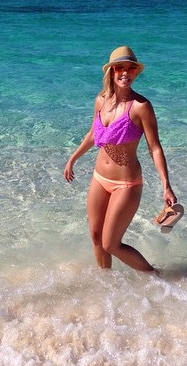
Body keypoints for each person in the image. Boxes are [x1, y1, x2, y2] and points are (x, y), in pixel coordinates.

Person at [63, 46, 177, 272]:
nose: (125, 73)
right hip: (99, 178)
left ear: (136, 72)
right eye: (120, 68)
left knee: (111, 243)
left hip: (126, 184)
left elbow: (155, 148)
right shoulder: (101, 100)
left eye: (131, 69)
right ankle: (107, 285)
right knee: (95, 237)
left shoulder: (141, 107)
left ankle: (154, 276)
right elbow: (93, 134)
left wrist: (166, 186)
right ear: (111, 72)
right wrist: (72, 159)